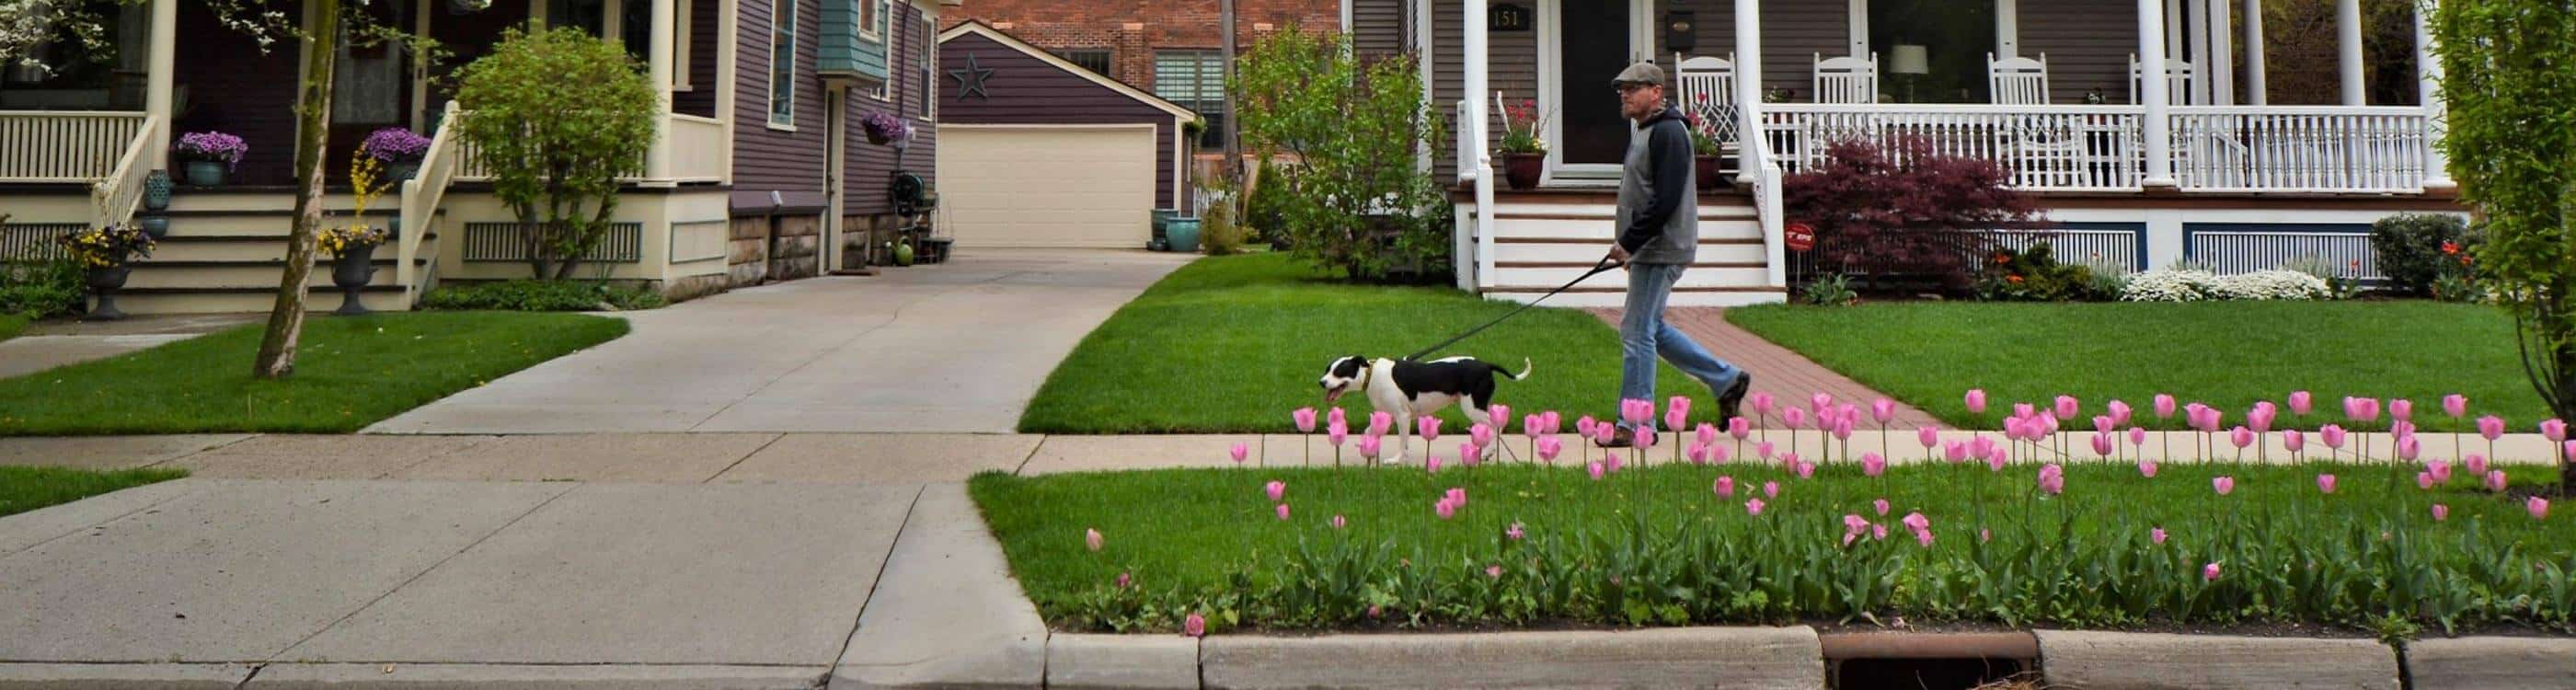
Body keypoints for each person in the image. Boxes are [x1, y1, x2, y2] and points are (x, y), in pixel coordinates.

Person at [1597, 62, 1751, 448]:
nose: (1625, 94)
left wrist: (1629, 242)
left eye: (1633, 88)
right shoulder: (1646, 131)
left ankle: (1636, 423)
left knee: (1635, 332)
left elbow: (1665, 200)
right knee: (1651, 328)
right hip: (1650, 247)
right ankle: (1726, 379)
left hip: (1660, 248)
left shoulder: (1668, 132)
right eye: (1622, 88)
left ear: (1656, 92)